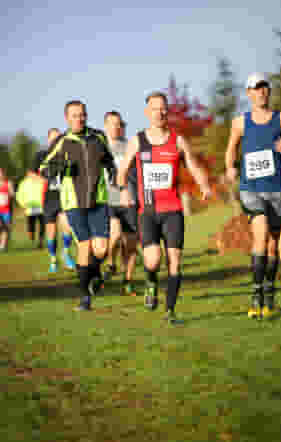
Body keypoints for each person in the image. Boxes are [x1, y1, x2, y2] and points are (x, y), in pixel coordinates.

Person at [117, 91, 211, 324]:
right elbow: (121, 171)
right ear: (147, 113)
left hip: (172, 211)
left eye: (162, 108)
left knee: (175, 262)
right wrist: (124, 190)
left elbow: (193, 165)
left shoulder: (177, 141)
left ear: (166, 111)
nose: (159, 112)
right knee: (152, 260)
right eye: (154, 108)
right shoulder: (138, 141)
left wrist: (204, 185)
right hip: (147, 212)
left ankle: (170, 311)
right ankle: (151, 281)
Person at [225, 73, 281, 318]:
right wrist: (230, 167)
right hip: (251, 189)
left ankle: (269, 292)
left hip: (276, 190)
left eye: (263, 87)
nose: (260, 92)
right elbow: (231, 149)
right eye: (255, 89)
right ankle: (256, 295)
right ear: (248, 94)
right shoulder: (240, 122)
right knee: (260, 235)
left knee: (272, 245)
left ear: (268, 91)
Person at [40, 100, 116, 311]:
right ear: (67, 118)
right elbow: (44, 168)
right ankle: (85, 298)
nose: (79, 118)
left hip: (98, 200)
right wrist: (58, 166)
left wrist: (113, 171)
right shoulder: (62, 141)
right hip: (73, 202)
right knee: (84, 246)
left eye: (82, 114)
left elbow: (109, 159)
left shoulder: (98, 136)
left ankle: (94, 275)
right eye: (74, 115)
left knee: (100, 249)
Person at [103, 111, 138, 296]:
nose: (116, 127)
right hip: (109, 200)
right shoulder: (100, 148)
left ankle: (128, 281)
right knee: (115, 235)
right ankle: (110, 262)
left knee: (130, 244)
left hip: (130, 200)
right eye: (112, 124)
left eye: (119, 124)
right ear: (105, 126)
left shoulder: (131, 146)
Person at [34, 128, 75, 273]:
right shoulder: (41, 155)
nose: (56, 140)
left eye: (58, 138)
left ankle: (66, 253)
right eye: (53, 138)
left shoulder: (66, 154)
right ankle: (53, 259)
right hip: (49, 198)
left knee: (67, 226)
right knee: (50, 231)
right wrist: (45, 177)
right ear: (48, 140)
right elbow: (32, 174)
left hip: (65, 197)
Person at [16, 168, 46, 248]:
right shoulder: (23, 183)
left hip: (41, 207)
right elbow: (19, 195)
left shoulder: (42, 181)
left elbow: (46, 192)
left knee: (43, 224)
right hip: (29, 207)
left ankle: (40, 241)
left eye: (33, 173)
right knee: (31, 225)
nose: (31, 175)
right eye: (29, 173)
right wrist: (23, 204)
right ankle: (32, 237)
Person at [0, 167, 14, 252]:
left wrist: (10, 191)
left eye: (1, 173)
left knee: (5, 228)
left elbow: (12, 195)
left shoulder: (8, 183)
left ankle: (2, 246)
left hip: (6, 210)